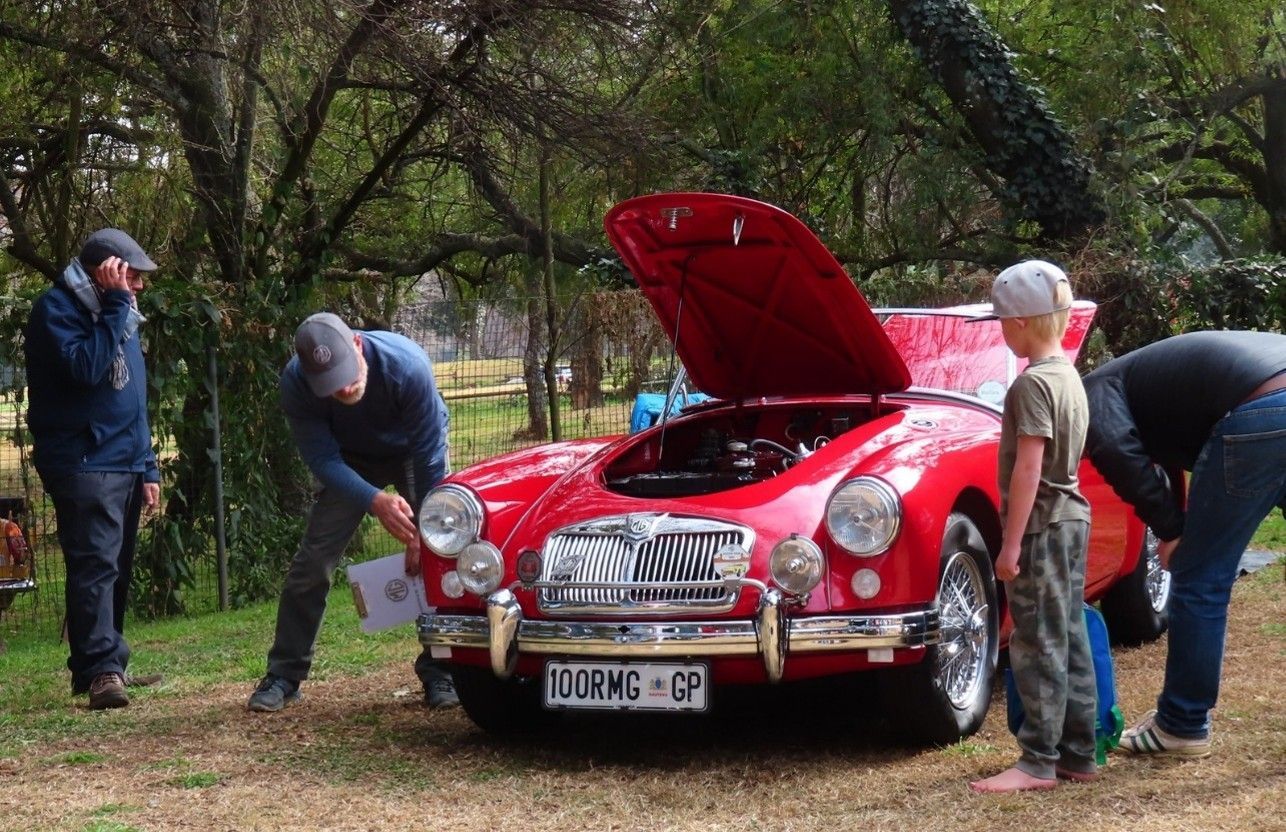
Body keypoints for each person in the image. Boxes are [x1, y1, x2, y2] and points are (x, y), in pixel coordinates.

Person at [1083, 330, 1286, 757]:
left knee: (1200, 575)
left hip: (1263, 409)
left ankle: (1182, 724)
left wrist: (1174, 533)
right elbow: (1160, 467)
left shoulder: (1092, 392)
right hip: (1271, 393)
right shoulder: (1146, 384)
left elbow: (1120, 454)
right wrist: (1172, 522)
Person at [248, 312, 458, 712]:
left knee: (441, 554)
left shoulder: (406, 365)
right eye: (330, 385)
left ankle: (442, 671)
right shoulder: (296, 383)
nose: (344, 387)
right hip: (348, 463)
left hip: (413, 453)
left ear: (358, 345)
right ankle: (285, 674)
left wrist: (423, 531)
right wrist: (374, 500)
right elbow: (322, 459)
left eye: (346, 373)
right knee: (312, 562)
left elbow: (430, 456)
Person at [969, 260, 1097, 793]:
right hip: (1073, 518)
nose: (1000, 329)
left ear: (1021, 323)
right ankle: (1078, 752)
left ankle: (1037, 761)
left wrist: (1010, 545)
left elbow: (1029, 466)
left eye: (1001, 321)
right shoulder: (1069, 374)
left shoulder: (1029, 387)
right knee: (1069, 633)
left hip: (1042, 525)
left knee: (1036, 640)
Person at [25, 229, 162, 709]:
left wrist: (149, 467)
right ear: (107, 271)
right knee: (95, 566)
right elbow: (86, 368)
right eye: (132, 275)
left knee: (115, 566)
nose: (138, 286)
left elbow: (135, 396)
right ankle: (102, 669)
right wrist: (116, 308)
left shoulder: (118, 314)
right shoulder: (56, 311)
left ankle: (104, 667)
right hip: (82, 459)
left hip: (123, 458)